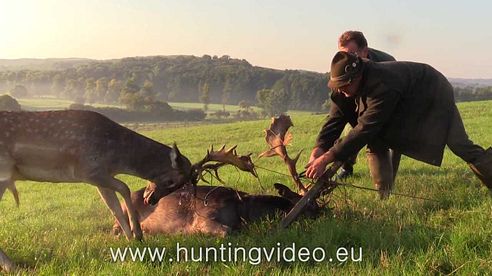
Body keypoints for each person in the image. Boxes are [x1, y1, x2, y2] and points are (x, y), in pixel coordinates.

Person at [306, 51, 492, 195]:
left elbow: (366, 127)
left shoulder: (383, 84)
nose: (342, 90)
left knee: (460, 144)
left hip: (433, 95)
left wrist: (328, 158)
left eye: (345, 85)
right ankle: (383, 196)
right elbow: (335, 120)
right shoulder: (345, 88)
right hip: (404, 104)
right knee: (378, 139)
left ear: (358, 76)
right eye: (338, 86)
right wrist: (319, 149)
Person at [331, 30, 400, 181]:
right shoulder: (344, 66)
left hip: (386, 107)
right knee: (352, 133)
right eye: (342, 54)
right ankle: (346, 167)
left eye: (352, 54)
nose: (346, 59)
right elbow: (338, 113)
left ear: (365, 51)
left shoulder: (386, 64)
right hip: (358, 106)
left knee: (393, 140)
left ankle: (389, 177)